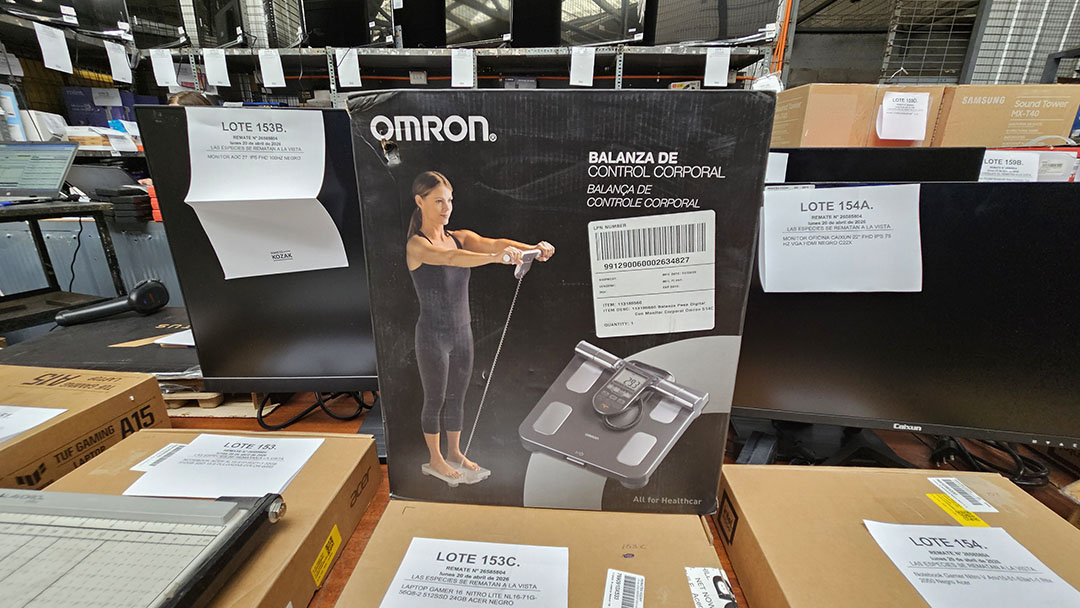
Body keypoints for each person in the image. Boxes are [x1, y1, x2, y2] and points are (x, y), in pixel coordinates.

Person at [406, 171, 554, 480]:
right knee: (435, 398)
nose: (446, 208)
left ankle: (454, 452)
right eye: (438, 201)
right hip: (432, 335)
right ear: (420, 201)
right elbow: (451, 259)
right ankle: (435, 459)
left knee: (457, 397)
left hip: (463, 331)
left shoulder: (459, 236)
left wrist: (532, 248)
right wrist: (496, 258)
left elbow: (494, 243)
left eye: (450, 201)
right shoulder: (417, 246)